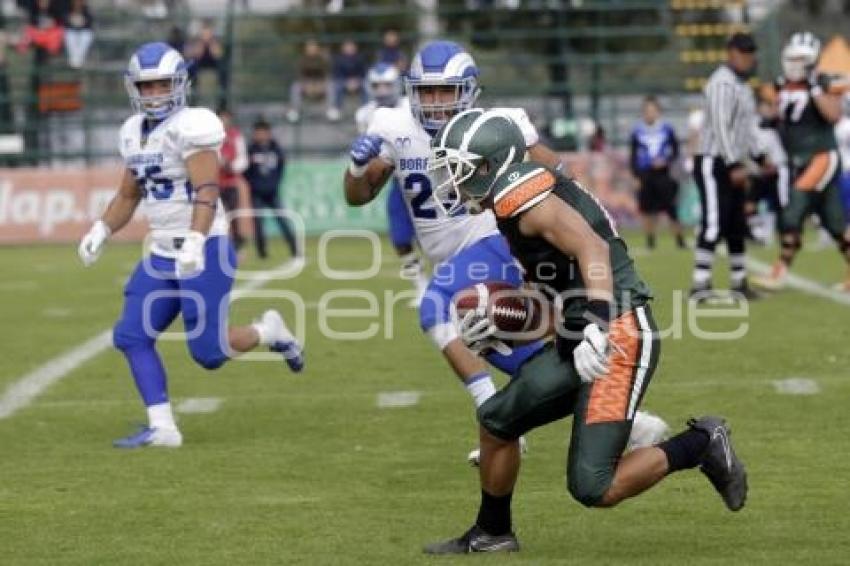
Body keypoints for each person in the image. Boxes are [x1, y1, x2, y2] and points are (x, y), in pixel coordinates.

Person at [423, 109, 748, 554]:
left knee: (593, 486)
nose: (452, 182)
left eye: (458, 170)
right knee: (497, 419)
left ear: (490, 166)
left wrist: (595, 321)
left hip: (619, 331)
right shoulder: (509, 202)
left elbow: (591, 248)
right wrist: (505, 327)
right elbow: (553, 298)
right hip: (584, 329)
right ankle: (492, 531)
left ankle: (700, 443)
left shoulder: (522, 195)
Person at [344, 40, 573, 459]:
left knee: (433, 308)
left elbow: (558, 171)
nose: (434, 102)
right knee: (510, 355)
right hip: (453, 258)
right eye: (426, 91)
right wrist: (358, 168)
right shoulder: (393, 126)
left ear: (467, 91)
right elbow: (357, 196)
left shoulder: (492, 125)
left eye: (445, 91)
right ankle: (623, 415)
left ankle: (494, 418)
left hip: (494, 240)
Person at [76, 42, 303, 448]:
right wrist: (101, 229)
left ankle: (267, 330)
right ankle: (163, 428)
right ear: (133, 89)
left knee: (209, 354)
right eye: (146, 86)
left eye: (162, 84)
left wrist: (196, 240)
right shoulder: (131, 132)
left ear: (180, 84)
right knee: (131, 334)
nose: (155, 94)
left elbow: (207, 189)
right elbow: (129, 195)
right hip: (162, 251)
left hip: (205, 248)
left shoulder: (193, 125)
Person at [751, 32, 850, 292]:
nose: (796, 64)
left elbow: (833, 115)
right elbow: (775, 117)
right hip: (799, 161)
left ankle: (778, 273)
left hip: (822, 157)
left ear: (813, 60)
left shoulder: (822, 81)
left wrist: (815, 86)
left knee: (793, 210)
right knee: (835, 223)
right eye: (792, 58)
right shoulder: (781, 85)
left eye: (801, 59)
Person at [690, 32, 762, 301]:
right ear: (731, 52)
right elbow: (720, 127)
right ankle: (699, 284)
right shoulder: (721, 83)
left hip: (733, 160)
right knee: (714, 221)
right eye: (744, 52)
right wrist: (733, 164)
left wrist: (758, 156)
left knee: (736, 222)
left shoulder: (741, 85)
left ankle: (739, 281)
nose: (748, 57)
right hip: (714, 160)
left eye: (751, 52)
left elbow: (746, 127)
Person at [354, 62, 428, 305]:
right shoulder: (365, 114)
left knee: (435, 235)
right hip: (396, 180)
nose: (382, 90)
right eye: (377, 85)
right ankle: (420, 285)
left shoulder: (411, 107)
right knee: (399, 239)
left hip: (424, 176)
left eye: (387, 84)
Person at [629, 96, 686, 250]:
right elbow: (633, 154)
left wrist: (666, 161)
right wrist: (635, 175)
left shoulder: (667, 128)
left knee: (671, 208)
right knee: (647, 209)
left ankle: (680, 240)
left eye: (653, 110)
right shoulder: (637, 130)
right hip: (645, 174)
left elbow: (675, 150)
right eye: (647, 110)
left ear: (659, 112)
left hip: (663, 174)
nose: (650, 113)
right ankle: (650, 241)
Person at [244, 117, 300, 261]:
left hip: (273, 192)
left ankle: (295, 249)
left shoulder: (276, 148)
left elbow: (281, 167)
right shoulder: (250, 149)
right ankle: (262, 253)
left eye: (263, 131)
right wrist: (254, 184)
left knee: (283, 220)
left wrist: (273, 183)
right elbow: (245, 170)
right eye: (258, 132)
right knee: (258, 224)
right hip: (256, 193)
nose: (261, 135)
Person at [217, 106, 248, 251]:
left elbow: (242, 160)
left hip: (230, 183)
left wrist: (229, 165)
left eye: (226, 117)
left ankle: (236, 244)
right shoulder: (211, 136)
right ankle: (218, 244)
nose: (224, 121)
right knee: (216, 216)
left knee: (233, 215)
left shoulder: (236, 136)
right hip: (214, 183)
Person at [287, 39, 330, 123]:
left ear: (317, 48)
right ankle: (295, 111)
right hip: (306, 84)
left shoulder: (322, 59)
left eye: (314, 47)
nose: (312, 49)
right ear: (306, 49)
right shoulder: (302, 60)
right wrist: (305, 85)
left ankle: (331, 110)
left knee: (331, 85)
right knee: (295, 86)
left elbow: (327, 75)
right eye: (310, 47)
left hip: (320, 84)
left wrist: (321, 85)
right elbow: (299, 76)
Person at [328, 39, 367, 122]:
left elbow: (363, 72)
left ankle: (366, 110)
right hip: (343, 81)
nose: (350, 48)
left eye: (351, 46)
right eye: (347, 47)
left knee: (366, 85)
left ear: (355, 48)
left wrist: (356, 81)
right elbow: (336, 74)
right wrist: (347, 82)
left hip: (358, 81)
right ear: (343, 48)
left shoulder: (360, 58)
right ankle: (336, 109)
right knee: (336, 86)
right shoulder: (338, 59)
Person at [62, 0, 93, 69]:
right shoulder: (68, 8)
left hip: (83, 30)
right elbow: (64, 21)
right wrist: (71, 21)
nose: (77, 2)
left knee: (87, 36)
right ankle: (74, 59)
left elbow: (90, 22)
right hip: (71, 30)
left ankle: (79, 59)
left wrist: (83, 22)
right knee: (69, 35)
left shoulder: (86, 9)